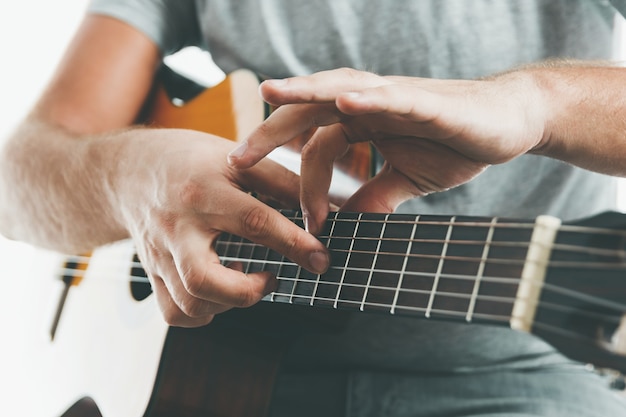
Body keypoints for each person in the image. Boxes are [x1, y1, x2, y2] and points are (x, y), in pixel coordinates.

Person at [1, 0, 626, 416]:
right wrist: (125, 179)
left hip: (528, 361)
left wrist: (536, 103)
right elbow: (17, 182)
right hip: (221, 371)